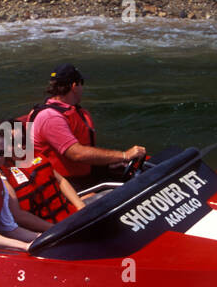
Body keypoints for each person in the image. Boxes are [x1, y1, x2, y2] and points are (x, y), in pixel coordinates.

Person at [28, 63, 145, 192]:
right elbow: (77, 154)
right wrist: (124, 155)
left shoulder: (72, 111)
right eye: (81, 83)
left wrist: (109, 162)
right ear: (74, 86)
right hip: (67, 185)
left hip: (85, 174)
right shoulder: (50, 118)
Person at [0, 152, 84, 224]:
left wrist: (81, 207)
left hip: (72, 215)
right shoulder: (1, 173)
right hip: (46, 231)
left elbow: (60, 180)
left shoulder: (35, 154)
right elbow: (18, 215)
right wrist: (55, 229)